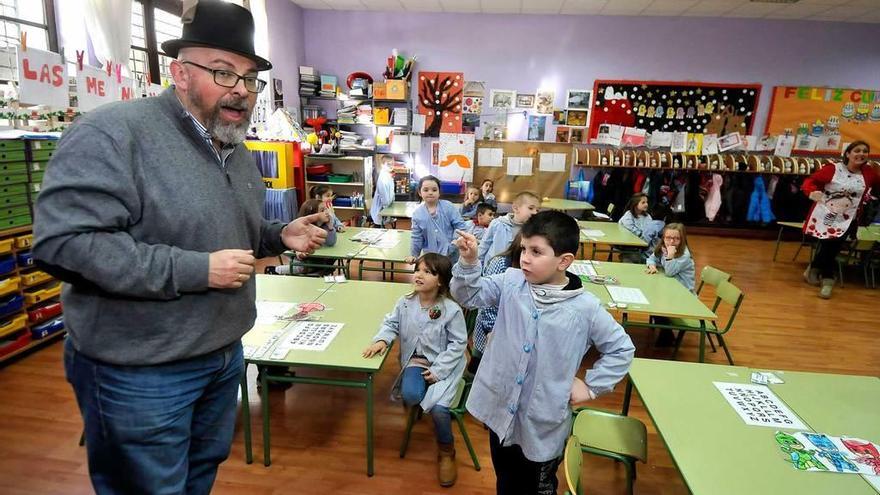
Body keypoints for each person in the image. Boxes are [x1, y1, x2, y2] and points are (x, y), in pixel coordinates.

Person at [31, 3, 328, 493]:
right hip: (140, 370)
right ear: (180, 73)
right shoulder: (113, 133)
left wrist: (278, 235)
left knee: (197, 479)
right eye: (222, 71)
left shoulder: (235, 148)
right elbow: (64, 245)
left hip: (221, 355)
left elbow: (229, 232)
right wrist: (197, 271)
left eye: (249, 77)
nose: (240, 89)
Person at [451, 211, 635, 494]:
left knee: (537, 487)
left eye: (536, 251)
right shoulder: (511, 281)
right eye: (524, 248)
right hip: (500, 413)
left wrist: (591, 387)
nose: (525, 257)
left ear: (564, 261)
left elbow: (621, 348)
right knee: (506, 481)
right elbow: (470, 295)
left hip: (541, 425)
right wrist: (468, 261)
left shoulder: (585, 308)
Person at [362, 253, 467, 487]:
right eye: (418, 270)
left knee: (439, 410)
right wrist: (382, 340)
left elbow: (458, 344)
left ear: (440, 281)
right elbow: (391, 324)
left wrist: (439, 370)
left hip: (444, 363)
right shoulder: (405, 303)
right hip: (415, 362)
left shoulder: (450, 309)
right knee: (411, 395)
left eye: (428, 272)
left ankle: (447, 451)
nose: (419, 275)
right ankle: (422, 399)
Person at [801, 140, 880, 298]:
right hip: (826, 216)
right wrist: (811, 191)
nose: (861, 154)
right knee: (830, 246)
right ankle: (828, 280)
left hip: (849, 219)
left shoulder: (869, 173)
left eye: (865, 151)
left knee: (833, 247)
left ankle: (814, 269)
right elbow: (810, 181)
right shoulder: (833, 169)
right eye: (857, 150)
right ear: (848, 154)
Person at [468, 233, 523, 375]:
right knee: (479, 365)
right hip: (489, 329)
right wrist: (490, 329)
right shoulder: (501, 264)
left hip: (513, 334)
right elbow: (487, 304)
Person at [646, 223, 695, 346]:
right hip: (670, 289)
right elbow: (651, 258)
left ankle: (666, 336)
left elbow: (669, 272)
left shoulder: (684, 255)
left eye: (676, 238)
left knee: (656, 301)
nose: (671, 241)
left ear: (682, 239)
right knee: (651, 296)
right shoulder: (662, 247)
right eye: (668, 238)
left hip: (683, 295)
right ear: (663, 238)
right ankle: (665, 331)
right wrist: (652, 265)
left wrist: (670, 255)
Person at [405, 175, 470, 264]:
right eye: (426, 190)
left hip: (452, 256)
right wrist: (414, 255)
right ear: (420, 192)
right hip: (431, 257)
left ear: (439, 192)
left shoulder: (448, 207)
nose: (430, 192)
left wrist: (455, 243)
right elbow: (416, 237)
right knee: (434, 276)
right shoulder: (417, 214)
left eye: (434, 190)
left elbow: (461, 226)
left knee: (451, 276)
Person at [265, 199, 338, 276]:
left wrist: (330, 226)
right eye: (322, 210)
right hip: (301, 259)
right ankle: (276, 270)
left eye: (326, 209)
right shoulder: (301, 227)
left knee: (327, 264)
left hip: (316, 258)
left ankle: (316, 274)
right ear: (312, 214)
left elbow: (331, 242)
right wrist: (297, 251)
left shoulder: (324, 225)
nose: (327, 212)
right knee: (303, 267)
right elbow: (292, 243)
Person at [477, 191, 540, 264]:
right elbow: (484, 245)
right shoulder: (497, 223)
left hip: (513, 270)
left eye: (537, 210)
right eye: (531, 208)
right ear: (516, 208)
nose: (535, 213)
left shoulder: (531, 231)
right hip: (491, 268)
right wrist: (476, 266)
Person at [618, 193, 657, 263]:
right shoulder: (628, 214)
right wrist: (644, 235)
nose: (646, 204)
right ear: (635, 204)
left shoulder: (647, 216)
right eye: (643, 202)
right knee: (633, 258)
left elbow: (651, 229)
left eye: (647, 202)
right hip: (628, 243)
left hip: (643, 243)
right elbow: (631, 229)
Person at [370, 154, 396, 227]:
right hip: (380, 211)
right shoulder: (383, 178)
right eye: (388, 164)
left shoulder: (388, 176)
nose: (391, 166)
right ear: (382, 165)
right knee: (379, 231)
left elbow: (391, 193)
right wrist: (388, 210)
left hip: (386, 209)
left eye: (392, 164)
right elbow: (384, 198)